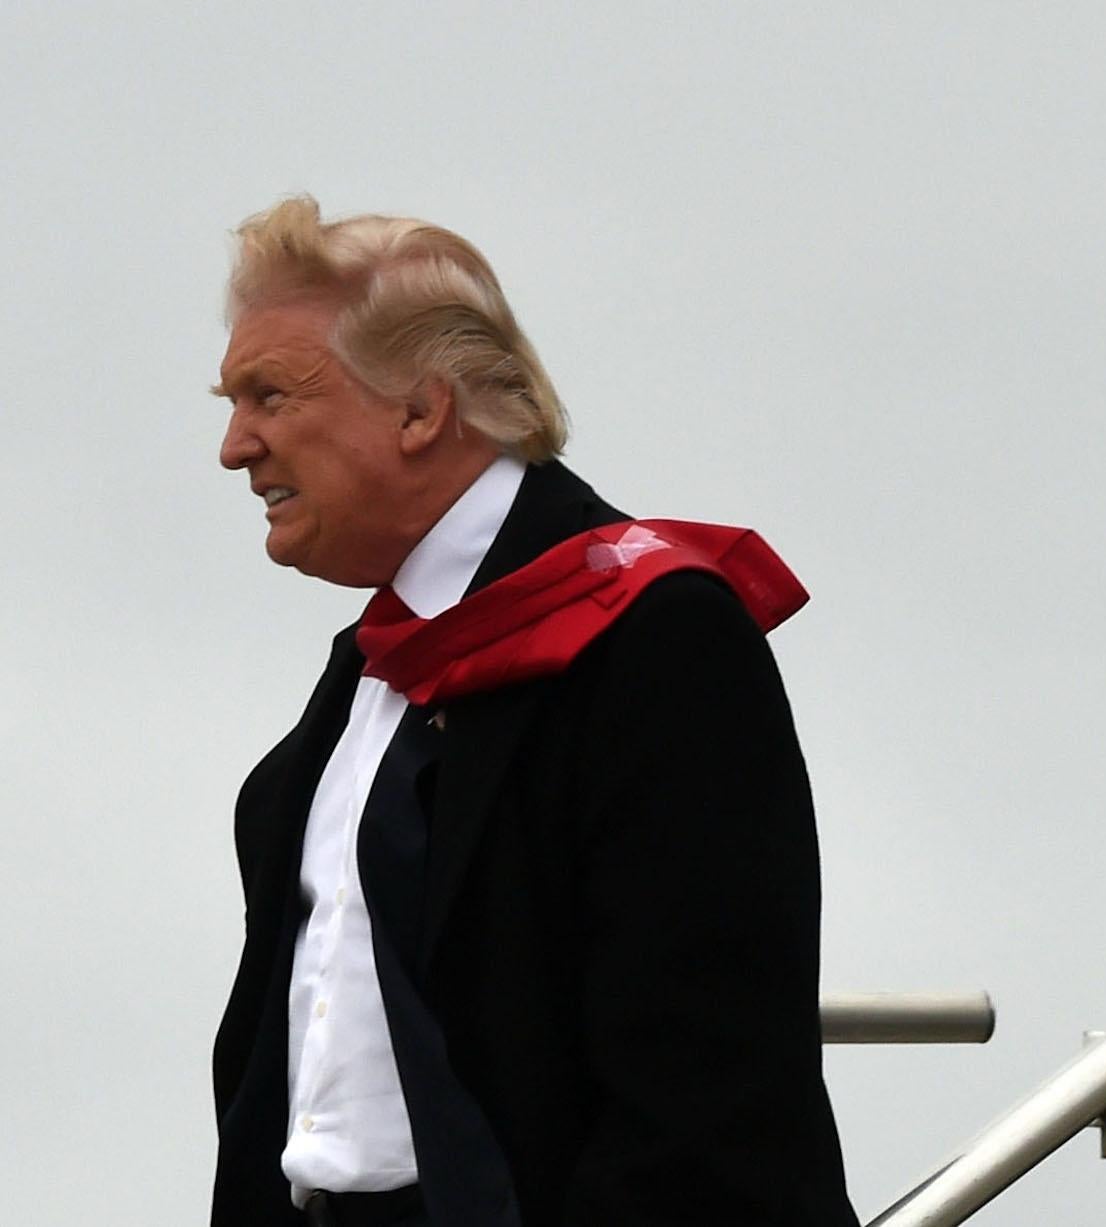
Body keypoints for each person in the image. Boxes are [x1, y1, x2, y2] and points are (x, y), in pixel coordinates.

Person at [208, 198, 858, 1226]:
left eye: (270, 395)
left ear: (420, 411)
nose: (234, 446)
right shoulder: (371, 670)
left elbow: (703, 1089)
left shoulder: (650, 638)